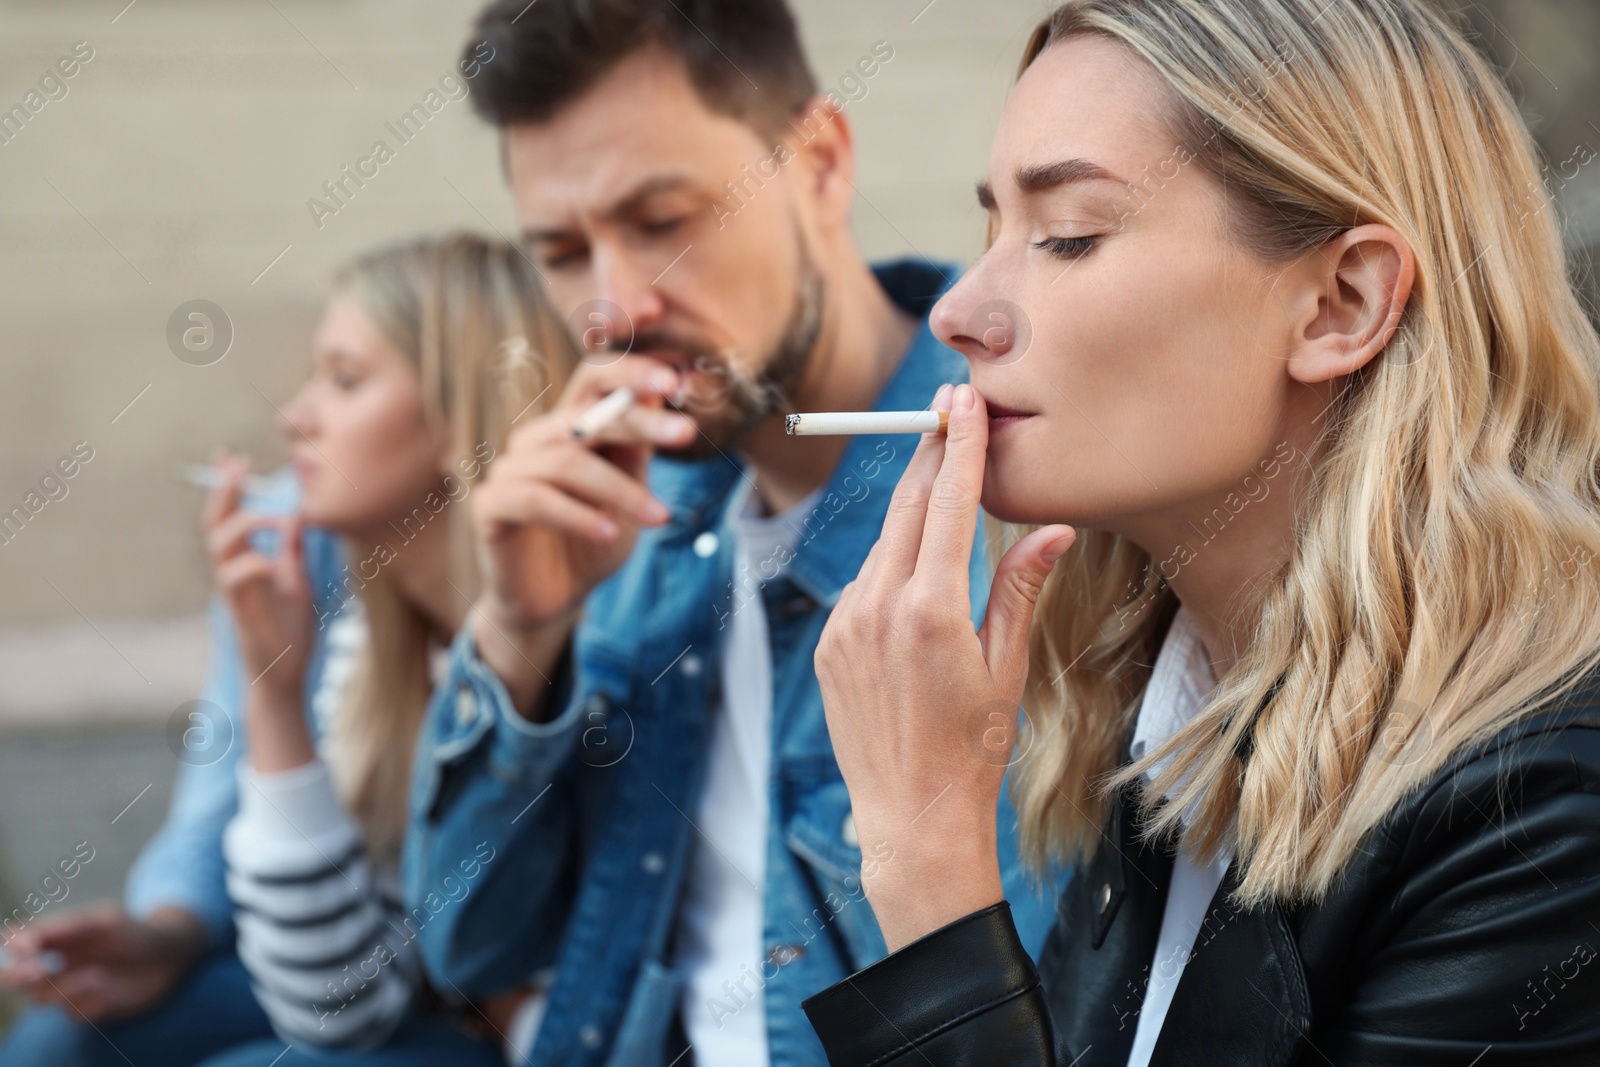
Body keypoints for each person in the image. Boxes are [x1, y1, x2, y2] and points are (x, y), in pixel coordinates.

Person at [799, 0, 1600, 1064]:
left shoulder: (1545, 812)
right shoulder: (1155, 714)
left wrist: (927, 863)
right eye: (991, 229)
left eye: (1068, 236)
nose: (958, 310)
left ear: (1340, 304)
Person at [402, 2, 1067, 1065]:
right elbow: (468, 946)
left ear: (819, 163)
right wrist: (516, 634)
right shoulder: (636, 527)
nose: (612, 307)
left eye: (663, 220)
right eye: (563, 250)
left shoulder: (1025, 510)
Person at [0, 233, 573, 1067]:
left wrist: (276, 694)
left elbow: (341, 1015)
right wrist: (167, 931)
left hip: (522, 1034)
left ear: (462, 417)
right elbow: (317, 961)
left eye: (344, 380)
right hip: (371, 989)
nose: (293, 416)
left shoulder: (570, 620)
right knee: (59, 1041)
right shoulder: (343, 600)